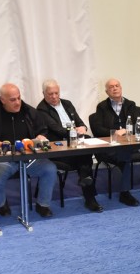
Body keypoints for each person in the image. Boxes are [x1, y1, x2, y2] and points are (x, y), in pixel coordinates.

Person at [0, 83, 59, 218]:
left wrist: (41, 136)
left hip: (28, 158)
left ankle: (43, 204)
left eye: (19, 98)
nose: (17, 102)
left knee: (50, 169)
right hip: (4, 160)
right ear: (3, 100)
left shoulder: (29, 111)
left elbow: (43, 130)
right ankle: (1, 204)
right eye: (12, 100)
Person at [36, 79, 102, 213]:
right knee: (84, 159)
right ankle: (90, 197)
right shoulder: (41, 109)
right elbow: (57, 129)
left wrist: (82, 128)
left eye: (56, 93)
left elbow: (80, 122)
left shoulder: (67, 103)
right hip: (59, 148)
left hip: (75, 145)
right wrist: (75, 133)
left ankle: (86, 185)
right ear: (43, 94)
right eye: (50, 94)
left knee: (85, 150)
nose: (54, 96)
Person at [90, 78, 140, 207]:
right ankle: (125, 193)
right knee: (125, 155)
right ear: (107, 92)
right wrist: (115, 132)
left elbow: (138, 125)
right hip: (109, 146)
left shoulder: (130, 104)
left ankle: (124, 192)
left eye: (117, 86)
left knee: (125, 153)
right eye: (111, 87)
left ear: (121, 88)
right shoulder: (102, 107)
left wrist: (126, 130)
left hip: (128, 144)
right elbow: (98, 129)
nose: (114, 88)